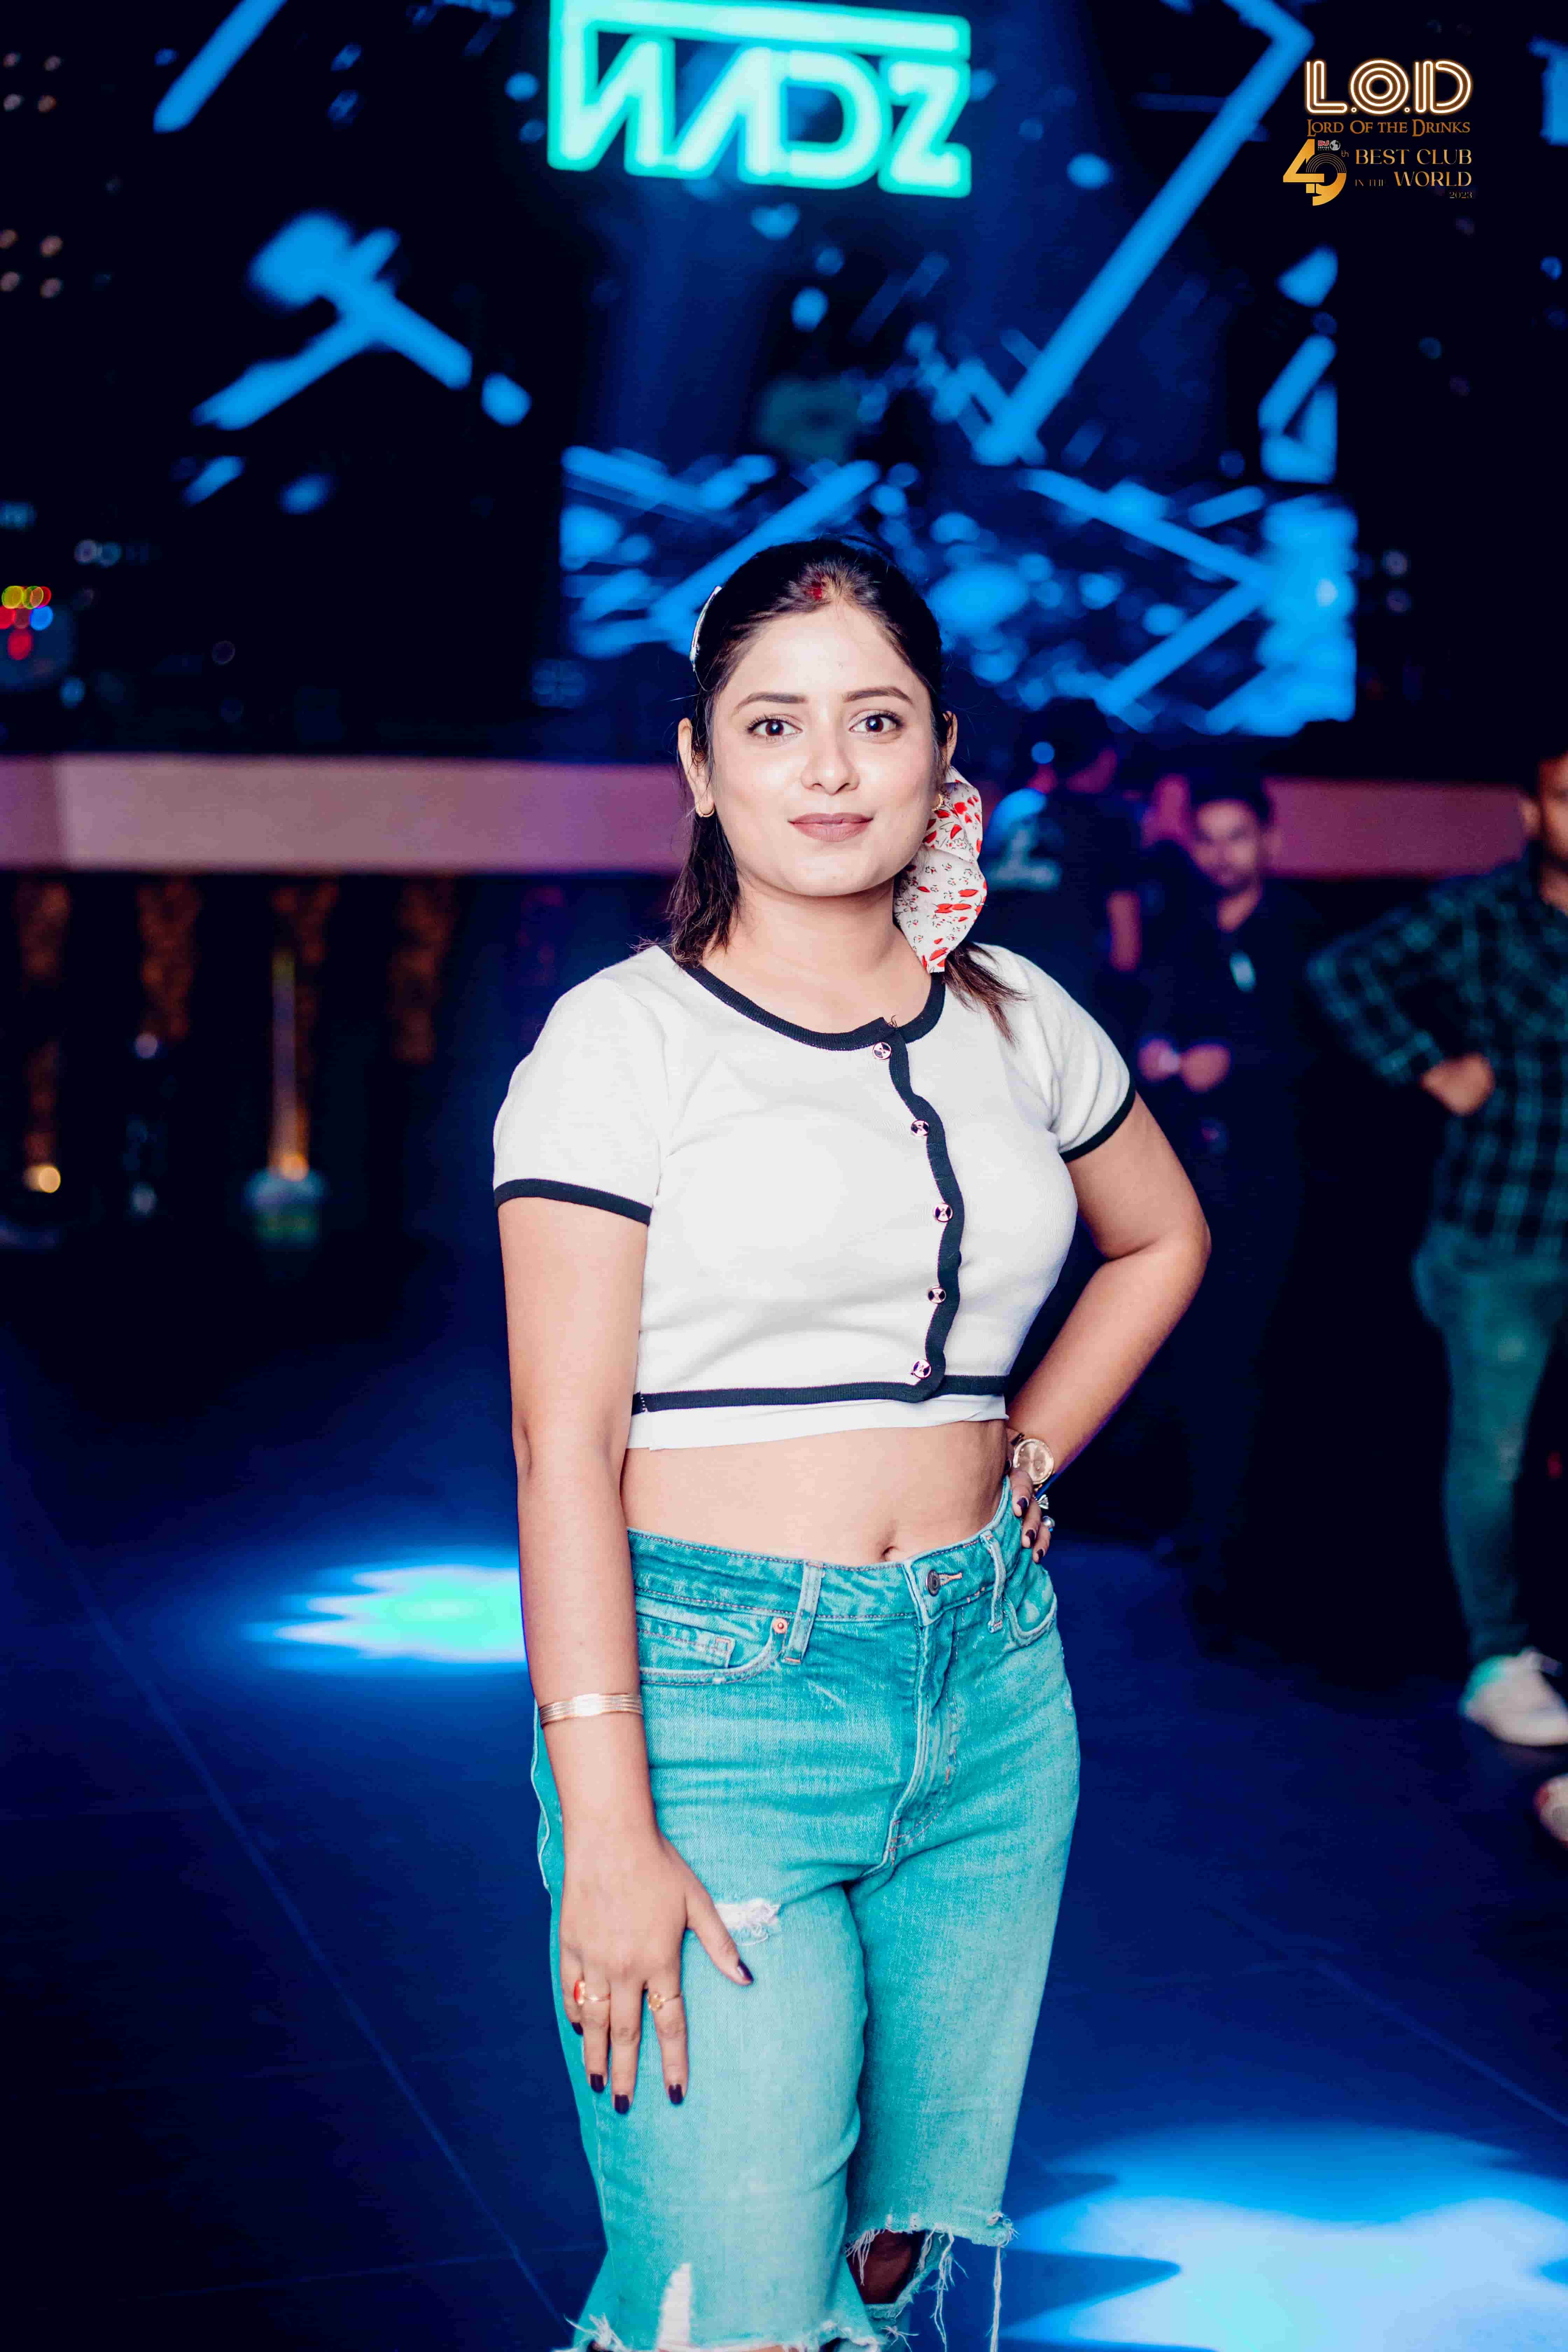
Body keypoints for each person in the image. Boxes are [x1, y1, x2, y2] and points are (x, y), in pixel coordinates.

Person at [494, 540, 1208, 2352]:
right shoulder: (619, 1042)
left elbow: (1161, 1237)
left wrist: (1024, 1453)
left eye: (875, 720)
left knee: (885, 2258)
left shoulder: (1020, 1017)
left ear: (941, 751)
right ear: (697, 761)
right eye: (773, 723)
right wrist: (607, 1824)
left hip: (990, 1693)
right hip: (714, 1698)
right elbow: (561, 1449)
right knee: (738, 2302)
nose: (827, 767)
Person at [1310, 738, 1568, 1746]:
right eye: (1567, 796)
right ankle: (1498, 1660)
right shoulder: (1481, 913)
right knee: (1493, 1457)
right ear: (1533, 811)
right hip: (1502, 1234)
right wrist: (1430, 1064)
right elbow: (1343, 971)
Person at [1136, 772, 1321, 1628]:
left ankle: (1257, 1550)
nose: (1220, 855)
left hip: (1283, 1183)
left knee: (1271, 1362)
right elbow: (1150, 1022)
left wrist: (1232, 1066)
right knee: (1203, 1360)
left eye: (1236, 837)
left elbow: (1326, 1057)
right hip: (1196, 1180)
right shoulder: (1183, 934)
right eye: (1206, 840)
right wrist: (1157, 1051)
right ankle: (1208, 1536)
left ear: (1268, 842)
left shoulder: (1304, 936)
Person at [976, 702, 1142, 1023]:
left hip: (985, 980)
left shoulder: (1012, 812)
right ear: (1107, 757)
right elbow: (1127, 948)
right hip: (1062, 992)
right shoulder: (1109, 822)